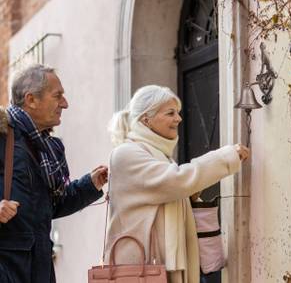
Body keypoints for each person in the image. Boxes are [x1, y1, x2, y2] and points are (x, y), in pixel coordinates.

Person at [106, 85, 249, 283]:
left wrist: (186, 197)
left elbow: (170, 187)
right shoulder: (126, 154)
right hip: (142, 269)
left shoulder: (159, 157)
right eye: (170, 113)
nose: (178, 119)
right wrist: (225, 157)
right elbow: (175, 180)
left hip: (158, 265)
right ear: (146, 119)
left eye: (178, 113)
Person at [0, 64, 108, 283]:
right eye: (57, 96)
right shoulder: (2, 137)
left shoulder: (44, 147)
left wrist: (90, 185)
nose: (65, 104)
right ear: (31, 100)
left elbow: (51, 206)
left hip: (39, 268)